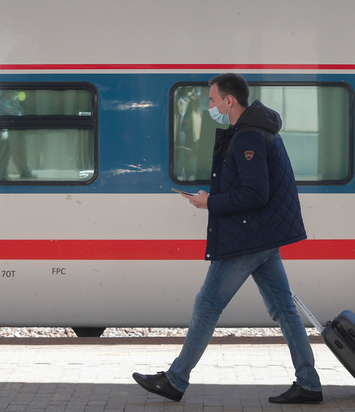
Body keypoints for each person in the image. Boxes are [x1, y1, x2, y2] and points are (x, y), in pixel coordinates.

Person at [132, 73, 323, 404]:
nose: (210, 106)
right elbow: (250, 187)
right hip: (262, 236)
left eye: (211, 100)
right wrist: (214, 195)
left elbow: (255, 193)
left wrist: (210, 203)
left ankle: (176, 380)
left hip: (248, 238)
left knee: (207, 305)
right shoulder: (256, 131)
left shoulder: (248, 136)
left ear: (229, 101)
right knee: (283, 310)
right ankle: (308, 383)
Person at [0, 90, 32, 180]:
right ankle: (2, 173)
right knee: (4, 151)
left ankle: (24, 171)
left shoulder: (17, 98)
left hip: (18, 127)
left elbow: (21, 111)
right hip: (5, 129)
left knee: (21, 149)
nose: (11, 93)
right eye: (9, 92)